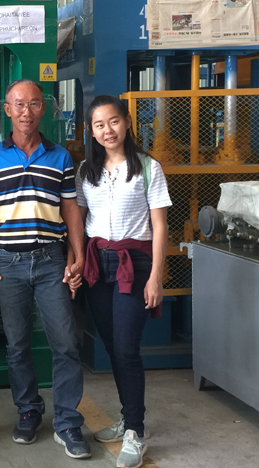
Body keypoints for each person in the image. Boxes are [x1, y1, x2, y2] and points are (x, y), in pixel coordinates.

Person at [0, 79, 91, 459]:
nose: (27, 111)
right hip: (7, 263)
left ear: (44, 108)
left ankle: (68, 422)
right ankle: (28, 410)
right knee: (17, 344)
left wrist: (77, 254)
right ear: (8, 109)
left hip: (51, 260)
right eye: (19, 104)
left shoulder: (60, 157)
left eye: (35, 104)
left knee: (66, 343)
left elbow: (70, 207)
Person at [75, 95, 171, 468]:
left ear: (127, 122)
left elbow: (160, 225)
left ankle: (135, 431)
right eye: (99, 125)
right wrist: (76, 262)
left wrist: (156, 277)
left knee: (128, 347)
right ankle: (127, 417)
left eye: (113, 121)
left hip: (135, 263)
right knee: (113, 347)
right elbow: (79, 221)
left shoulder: (148, 167)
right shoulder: (86, 171)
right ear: (91, 131)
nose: (107, 130)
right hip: (98, 265)